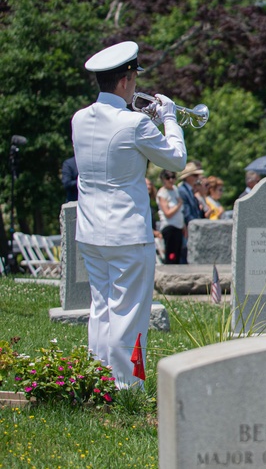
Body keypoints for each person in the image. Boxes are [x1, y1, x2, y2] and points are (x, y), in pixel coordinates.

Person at [72, 41, 186, 388]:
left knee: (102, 309)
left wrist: (145, 120)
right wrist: (169, 120)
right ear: (124, 81)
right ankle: (126, 387)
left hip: (91, 230)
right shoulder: (135, 124)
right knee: (128, 314)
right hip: (127, 232)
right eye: (134, 78)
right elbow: (176, 160)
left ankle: (99, 379)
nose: (136, 85)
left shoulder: (80, 119)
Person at [156, 170, 185, 263]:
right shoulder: (162, 193)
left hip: (179, 226)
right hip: (169, 227)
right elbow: (167, 213)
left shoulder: (175, 189)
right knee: (171, 256)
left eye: (173, 177)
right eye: (168, 178)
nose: (171, 180)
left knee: (177, 255)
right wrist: (179, 204)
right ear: (163, 179)